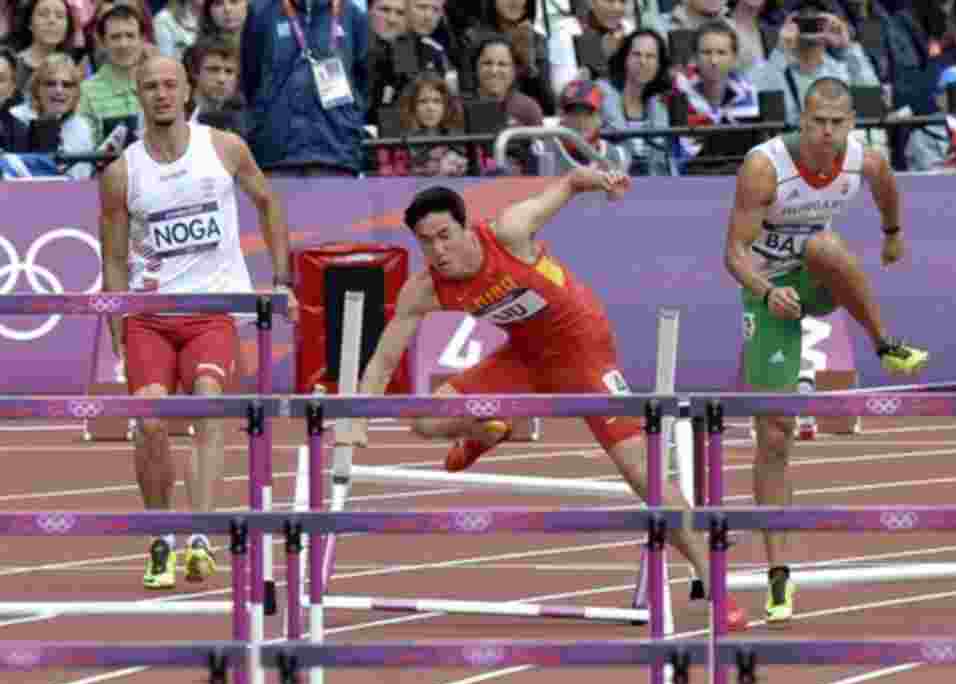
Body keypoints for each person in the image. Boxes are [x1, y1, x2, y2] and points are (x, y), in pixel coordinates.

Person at [336, 167, 748, 631]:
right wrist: (355, 416)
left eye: (445, 236)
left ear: (466, 226)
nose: (438, 250)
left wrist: (603, 180)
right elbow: (385, 357)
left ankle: (717, 587)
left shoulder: (509, 233)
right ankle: (486, 429)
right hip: (525, 357)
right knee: (427, 420)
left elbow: (569, 183)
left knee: (644, 473)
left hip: (584, 353)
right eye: (425, 242)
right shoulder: (426, 288)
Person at [724, 76, 929, 625]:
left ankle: (884, 344)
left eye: (837, 123)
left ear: (851, 125)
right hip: (769, 296)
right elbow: (733, 254)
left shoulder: (864, 159)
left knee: (825, 245)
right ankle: (778, 577)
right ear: (802, 118)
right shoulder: (764, 167)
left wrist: (892, 232)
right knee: (773, 434)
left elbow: (886, 182)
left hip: (818, 280)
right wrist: (768, 291)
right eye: (817, 121)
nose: (826, 133)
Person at [98, 54, 298, 590]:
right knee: (153, 422)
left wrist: (283, 280)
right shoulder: (121, 173)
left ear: (187, 90)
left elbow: (269, 204)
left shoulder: (224, 149)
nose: (161, 94)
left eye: (170, 84)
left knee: (210, 404)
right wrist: (117, 321)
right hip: (150, 317)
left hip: (211, 313)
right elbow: (114, 256)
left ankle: (203, 536)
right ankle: (161, 537)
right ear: (136, 95)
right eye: (150, 87)